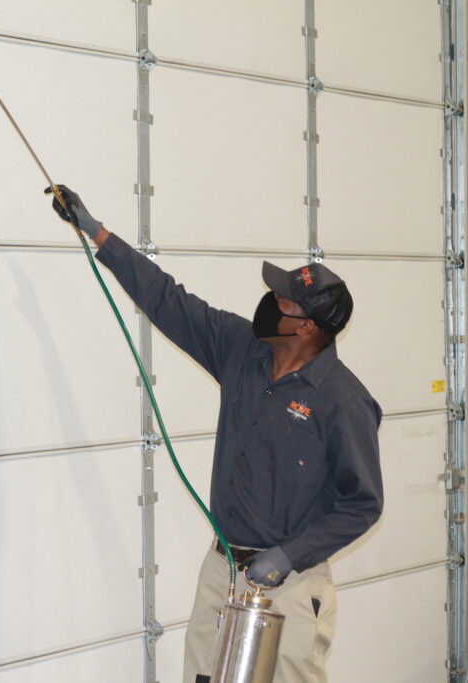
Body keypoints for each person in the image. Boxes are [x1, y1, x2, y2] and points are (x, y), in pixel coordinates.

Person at [46, 185, 383, 683]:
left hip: (290, 584)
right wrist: (96, 231)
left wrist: (288, 555)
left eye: (282, 301)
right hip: (223, 571)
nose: (269, 302)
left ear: (307, 327)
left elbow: (363, 504)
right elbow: (167, 299)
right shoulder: (240, 349)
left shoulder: (342, 399)